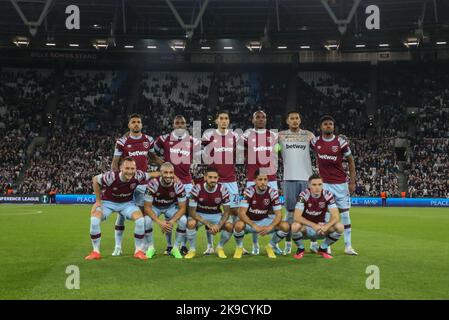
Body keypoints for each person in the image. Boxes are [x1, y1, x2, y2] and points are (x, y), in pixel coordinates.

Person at [111, 113, 163, 256]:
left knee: (144, 213)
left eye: (138, 122)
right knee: (121, 214)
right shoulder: (122, 142)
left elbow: (153, 157)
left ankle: (145, 246)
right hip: (127, 183)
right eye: (133, 122)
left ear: (141, 124)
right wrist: (116, 179)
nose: (136, 124)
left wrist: (165, 166)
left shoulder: (148, 140)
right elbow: (115, 162)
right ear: (129, 125)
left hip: (143, 182)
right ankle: (117, 246)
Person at [86, 157, 156, 260]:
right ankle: (96, 251)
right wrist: (97, 201)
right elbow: (95, 180)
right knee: (94, 219)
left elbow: (152, 175)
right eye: (127, 168)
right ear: (121, 168)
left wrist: (167, 174)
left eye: (132, 169)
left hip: (127, 204)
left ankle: (138, 251)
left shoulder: (138, 175)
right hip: (108, 203)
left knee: (140, 220)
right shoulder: (111, 177)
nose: (130, 171)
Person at [310, 115, 357, 255]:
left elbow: (351, 161)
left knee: (345, 214)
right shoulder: (315, 142)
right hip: (323, 185)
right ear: (321, 127)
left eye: (330, 124)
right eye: (325, 124)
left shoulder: (341, 142)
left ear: (333, 126)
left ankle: (348, 246)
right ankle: (326, 245)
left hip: (340, 184)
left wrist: (352, 181)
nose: (328, 126)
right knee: (323, 215)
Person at [277, 110, 314, 255]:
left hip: (306, 178)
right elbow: (270, 148)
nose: (294, 120)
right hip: (289, 178)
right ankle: (288, 244)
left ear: (300, 120)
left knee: (310, 212)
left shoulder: (309, 135)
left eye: (297, 118)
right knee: (290, 214)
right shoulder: (280, 135)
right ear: (287, 121)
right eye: (291, 118)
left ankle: (313, 242)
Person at [232, 170, 290, 259]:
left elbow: (278, 214)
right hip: (250, 222)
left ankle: (270, 246)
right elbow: (241, 213)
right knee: (238, 225)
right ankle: (239, 247)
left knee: (285, 226)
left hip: (264, 221)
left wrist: (270, 227)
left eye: (265, 179)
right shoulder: (249, 191)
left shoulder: (273, 192)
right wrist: (254, 225)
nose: (263, 182)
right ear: (255, 180)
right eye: (260, 179)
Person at [291, 173, 344, 260]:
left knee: (340, 226)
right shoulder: (304, 195)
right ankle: (301, 249)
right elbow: (296, 217)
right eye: (314, 185)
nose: (317, 187)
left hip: (322, 229)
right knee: (294, 226)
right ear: (309, 185)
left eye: (320, 184)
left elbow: (335, 216)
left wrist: (326, 226)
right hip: (306, 229)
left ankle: (323, 248)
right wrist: (313, 225)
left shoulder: (328, 195)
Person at [185, 167, 233, 259]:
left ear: (218, 178)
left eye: (215, 178)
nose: (213, 180)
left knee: (229, 226)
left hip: (216, 215)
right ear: (205, 178)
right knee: (190, 223)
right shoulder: (197, 188)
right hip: (199, 214)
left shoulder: (223, 189)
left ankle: (220, 247)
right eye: (210, 177)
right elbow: (192, 212)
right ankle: (192, 250)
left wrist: (218, 226)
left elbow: (227, 212)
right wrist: (208, 223)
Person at [143, 162, 187, 259]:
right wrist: (160, 222)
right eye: (165, 173)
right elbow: (147, 207)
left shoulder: (178, 185)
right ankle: (150, 248)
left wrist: (171, 221)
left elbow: (183, 208)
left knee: (183, 220)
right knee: (146, 221)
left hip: (170, 207)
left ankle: (175, 248)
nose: (168, 175)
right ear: (161, 173)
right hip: (155, 207)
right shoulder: (153, 184)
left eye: (171, 173)